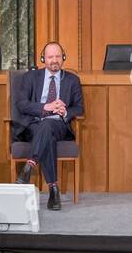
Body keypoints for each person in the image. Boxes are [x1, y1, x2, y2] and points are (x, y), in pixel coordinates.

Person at [13, 41, 84, 210]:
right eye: (50, 57)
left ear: (63, 58)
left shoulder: (73, 80)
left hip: (60, 125)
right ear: (43, 59)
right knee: (46, 131)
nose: (54, 60)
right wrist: (45, 107)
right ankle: (53, 190)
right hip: (34, 125)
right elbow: (21, 104)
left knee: (50, 125)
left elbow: (80, 108)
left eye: (58, 56)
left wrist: (64, 111)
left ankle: (30, 164)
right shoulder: (30, 77)